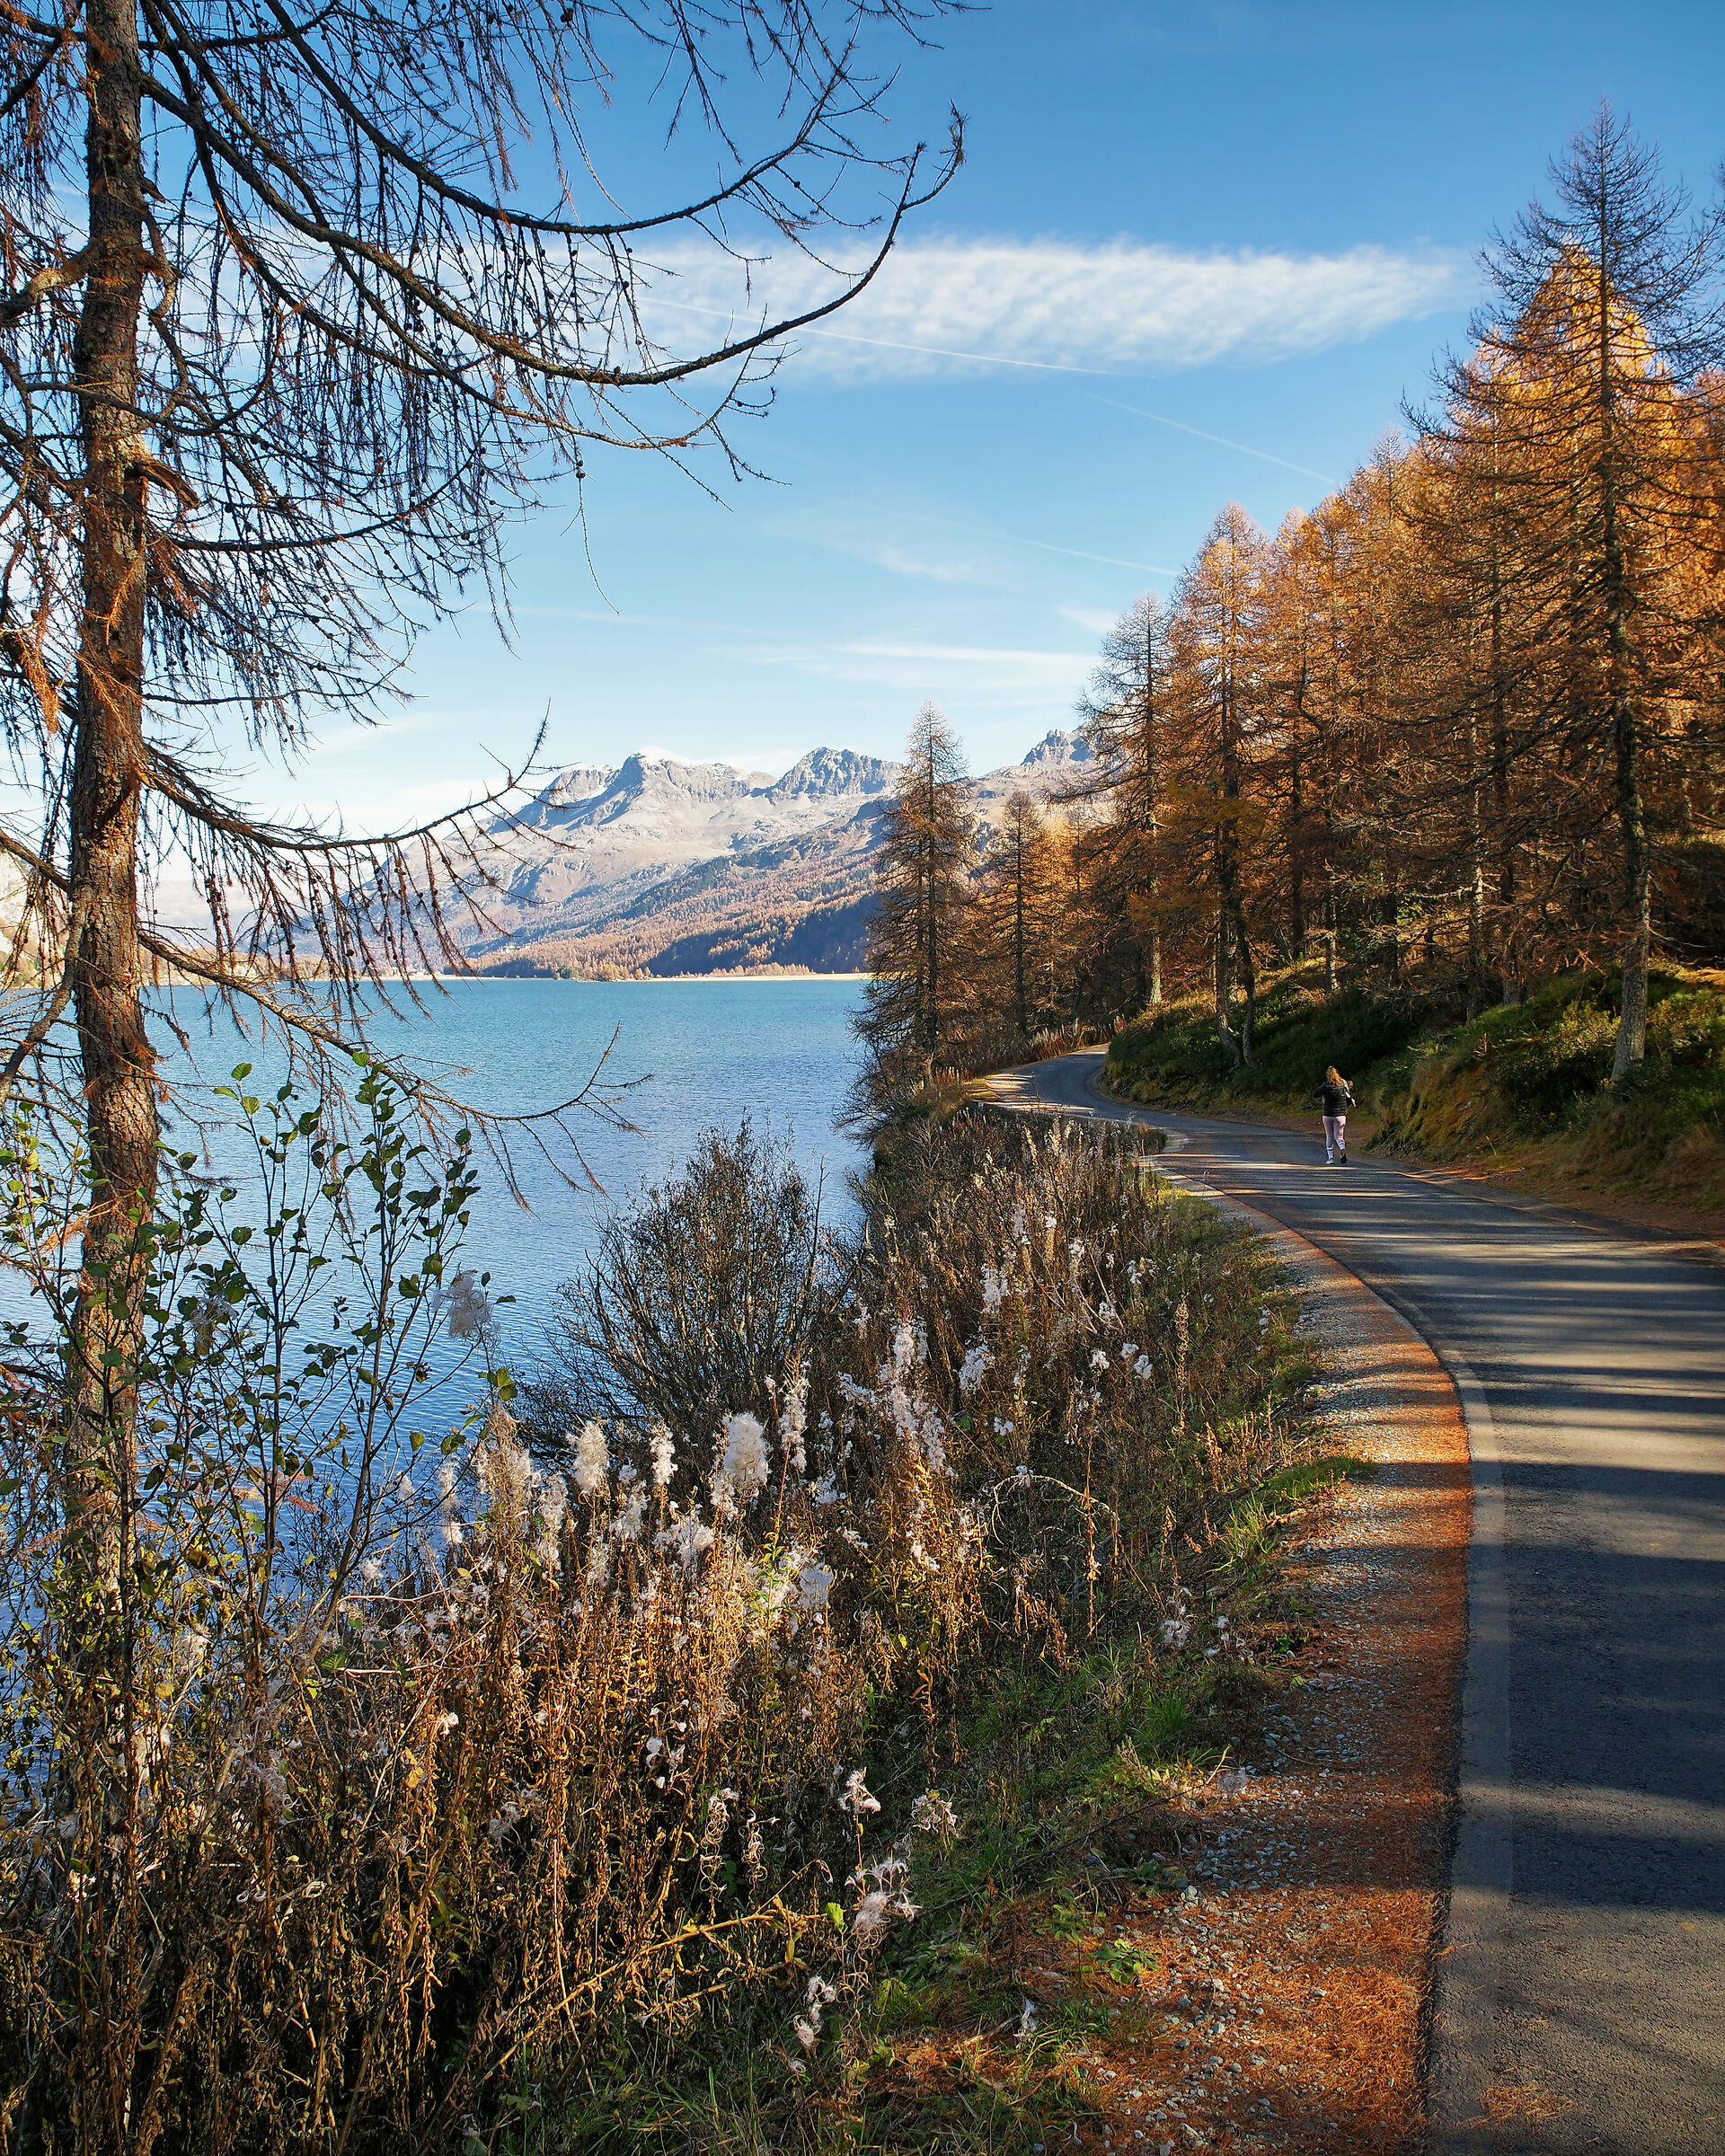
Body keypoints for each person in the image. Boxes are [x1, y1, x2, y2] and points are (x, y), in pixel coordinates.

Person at [1314, 1065, 1354, 1164]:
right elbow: (1350, 1086)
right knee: (1339, 1136)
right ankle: (1342, 1148)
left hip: (1328, 1114)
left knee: (1329, 1135)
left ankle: (1330, 1158)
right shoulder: (1343, 1084)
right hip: (1341, 1114)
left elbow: (1315, 1094)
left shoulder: (1326, 1085)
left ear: (1328, 1075)